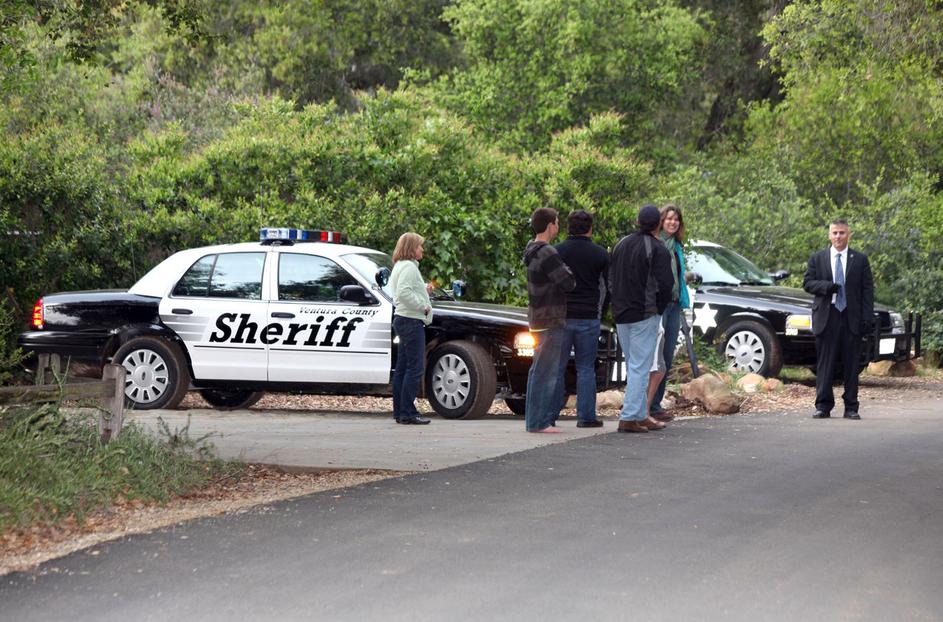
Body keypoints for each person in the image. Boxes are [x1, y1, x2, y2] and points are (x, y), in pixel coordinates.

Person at [609, 204, 675, 433]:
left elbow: (610, 277)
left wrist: (615, 303)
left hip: (621, 313)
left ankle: (638, 414)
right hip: (645, 313)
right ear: (658, 224)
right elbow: (666, 284)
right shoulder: (657, 248)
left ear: (637, 222)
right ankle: (629, 417)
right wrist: (659, 308)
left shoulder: (621, 244)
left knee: (633, 365)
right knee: (640, 366)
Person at [802, 218, 874, 420]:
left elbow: (867, 290)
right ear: (829, 235)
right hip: (827, 316)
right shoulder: (818, 258)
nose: (838, 236)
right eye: (835, 233)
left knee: (851, 365)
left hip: (851, 317)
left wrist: (867, 318)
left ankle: (851, 407)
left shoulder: (860, 260)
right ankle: (823, 406)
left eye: (842, 233)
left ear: (848, 234)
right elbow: (807, 283)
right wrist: (827, 287)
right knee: (825, 363)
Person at [552, 210, 609, 428]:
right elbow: (607, 287)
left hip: (561, 316)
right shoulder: (600, 254)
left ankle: (549, 415)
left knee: (557, 368)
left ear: (568, 227)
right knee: (586, 368)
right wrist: (601, 313)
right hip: (588, 316)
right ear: (590, 229)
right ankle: (586, 417)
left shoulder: (557, 251)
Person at [523, 207, 576, 433]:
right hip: (551, 317)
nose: (558, 227)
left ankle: (533, 420)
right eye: (557, 222)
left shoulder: (531, 249)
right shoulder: (547, 252)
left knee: (537, 370)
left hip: (536, 317)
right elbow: (568, 282)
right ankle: (539, 422)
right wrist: (568, 269)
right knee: (547, 372)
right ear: (550, 225)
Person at [649, 204, 691, 422]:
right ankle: (646, 405)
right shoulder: (655, 243)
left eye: (676, 219)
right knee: (654, 357)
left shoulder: (677, 245)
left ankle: (656, 404)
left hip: (675, 304)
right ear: (661, 221)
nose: (673, 222)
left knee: (666, 355)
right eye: (669, 219)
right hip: (659, 305)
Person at [390, 232, 435, 425]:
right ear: (411, 248)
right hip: (411, 320)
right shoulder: (409, 267)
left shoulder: (400, 265)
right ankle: (408, 412)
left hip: (402, 319)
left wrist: (423, 289)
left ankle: (400, 411)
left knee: (402, 368)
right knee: (415, 368)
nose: (422, 249)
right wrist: (423, 306)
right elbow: (403, 293)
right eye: (419, 246)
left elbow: (404, 289)